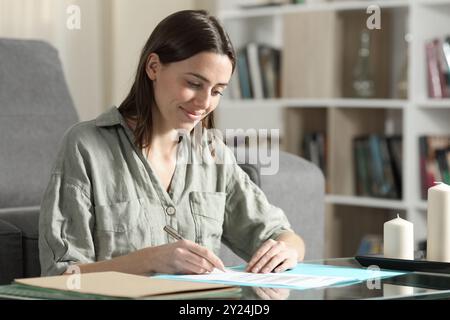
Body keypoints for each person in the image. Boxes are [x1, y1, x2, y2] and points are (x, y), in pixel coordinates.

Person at [39, 10, 305, 277]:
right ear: (153, 67)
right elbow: (60, 277)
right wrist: (149, 261)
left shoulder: (213, 155)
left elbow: (283, 236)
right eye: (193, 83)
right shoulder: (85, 147)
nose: (204, 103)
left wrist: (287, 250)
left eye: (217, 91)